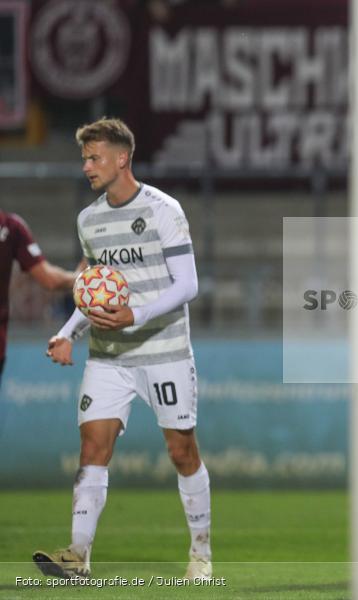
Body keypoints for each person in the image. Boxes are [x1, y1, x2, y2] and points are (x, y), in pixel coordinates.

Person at [31, 117, 212, 581]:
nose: (87, 166)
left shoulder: (162, 210)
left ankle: (201, 554)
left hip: (165, 351)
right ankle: (78, 554)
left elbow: (188, 284)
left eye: (94, 158)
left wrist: (139, 314)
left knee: (181, 452)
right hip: (109, 356)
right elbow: (90, 289)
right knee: (92, 447)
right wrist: (67, 332)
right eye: (84, 158)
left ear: (121, 158)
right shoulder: (88, 219)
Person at [0, 211, 77, 386]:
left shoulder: (11, 227)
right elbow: (49, 279)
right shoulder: (9, 226)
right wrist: (79, 278)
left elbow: (48, 280)